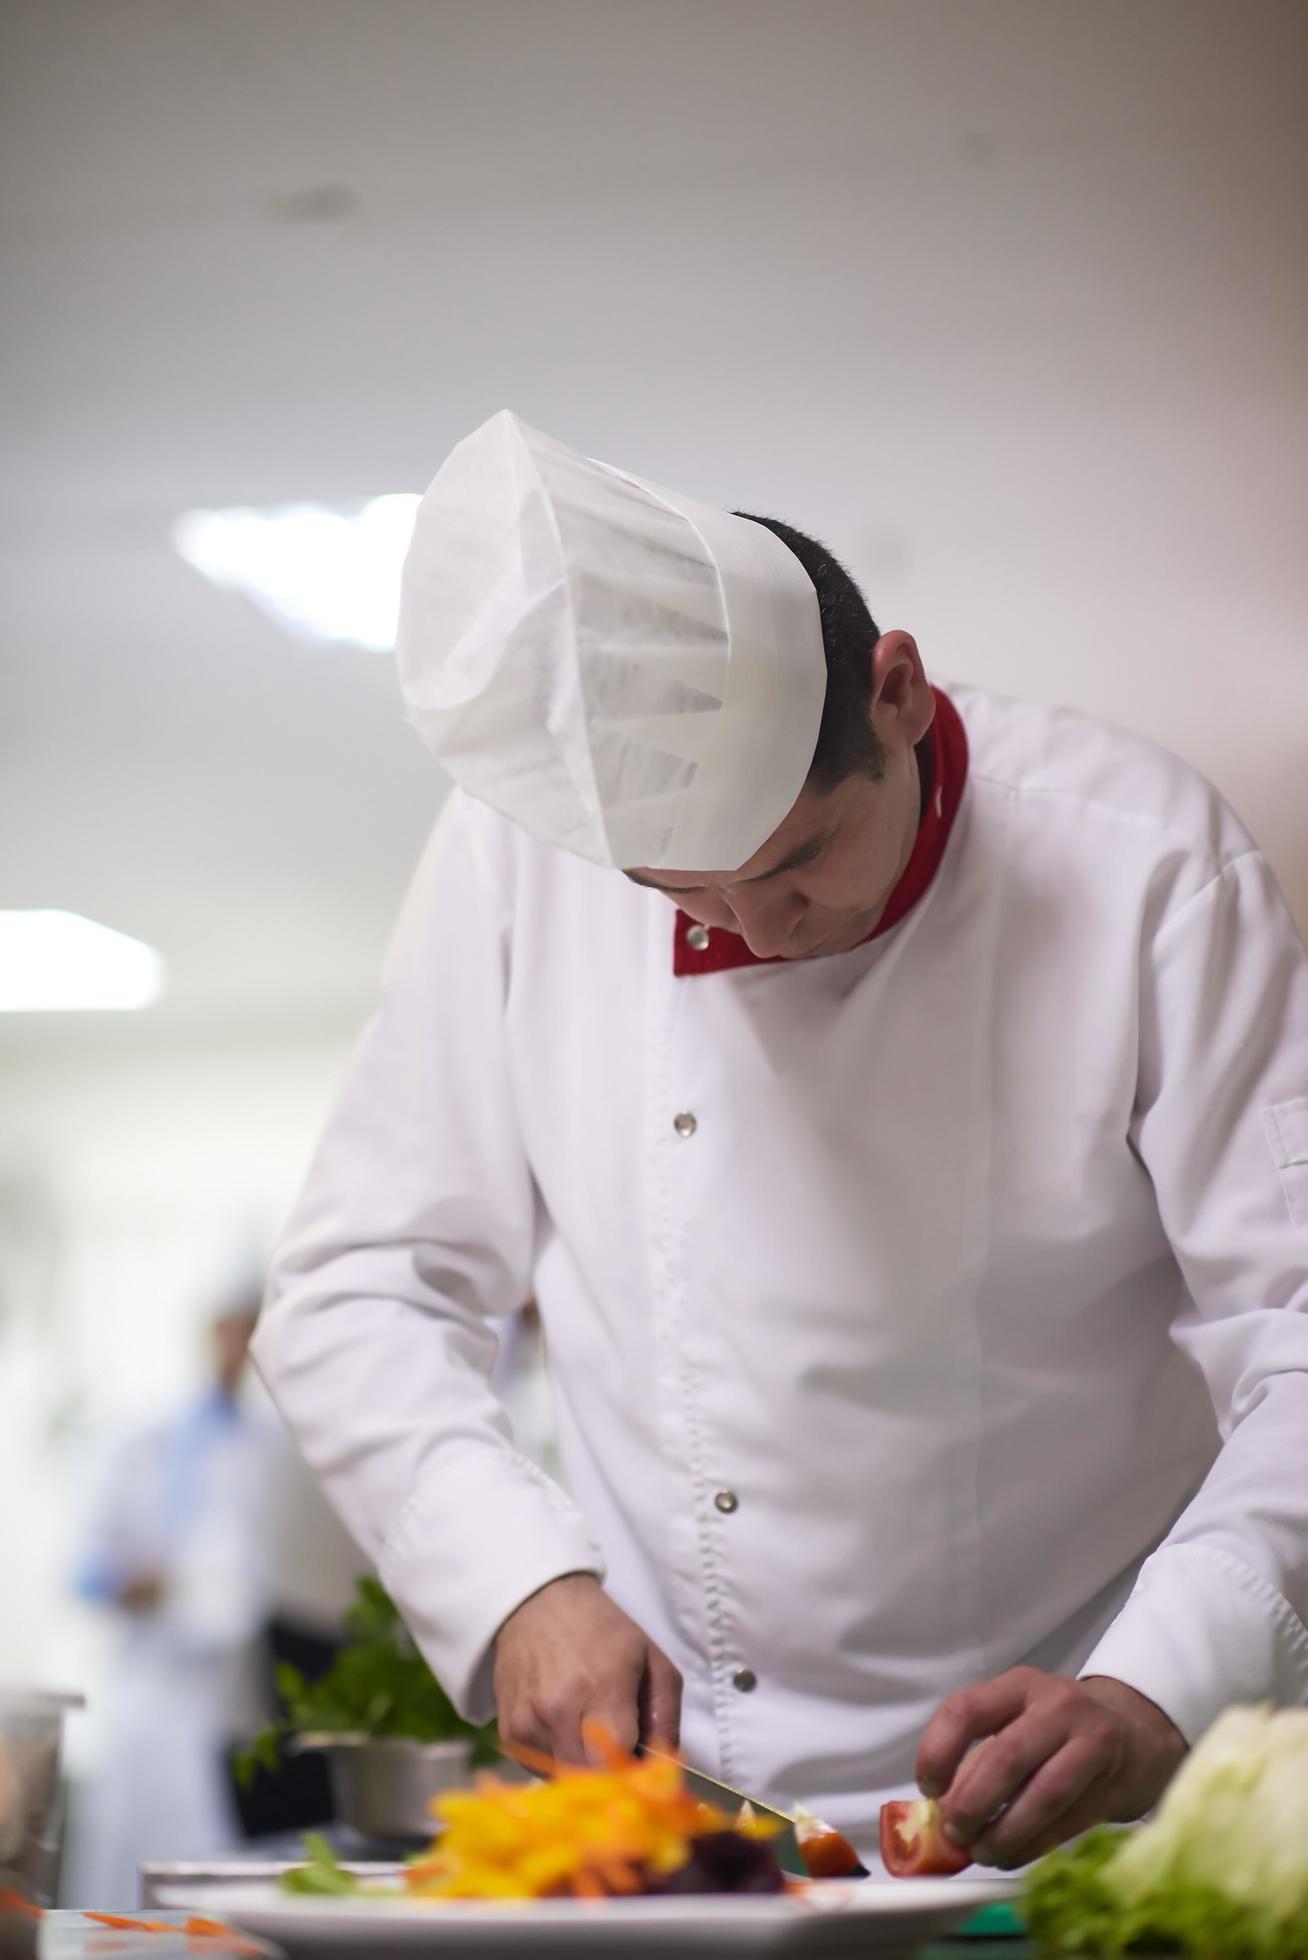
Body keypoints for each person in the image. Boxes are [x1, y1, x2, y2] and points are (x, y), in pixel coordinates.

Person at [254, 411, 1308, 1868]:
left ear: (896, 691)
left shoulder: (1147, 863)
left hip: (1077, 1778)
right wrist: (517, 1588)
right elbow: (358, 1284)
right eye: (686, 892)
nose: (756, 933)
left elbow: (1297, 1328)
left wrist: (1156, 1684)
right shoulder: (514, 863)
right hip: (690, 1812)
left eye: (799, 861)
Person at [67, 1296, 274, 1905]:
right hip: (149, 1687)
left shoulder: (272, 1446)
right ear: (211, 1332)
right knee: (127, 1865)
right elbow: (82, 1569)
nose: (240, 1346)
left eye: (253, 1330)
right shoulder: (143, 1439)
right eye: (232, 1328)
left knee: (215, 1865)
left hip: (230, 1693)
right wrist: (136, 1585)